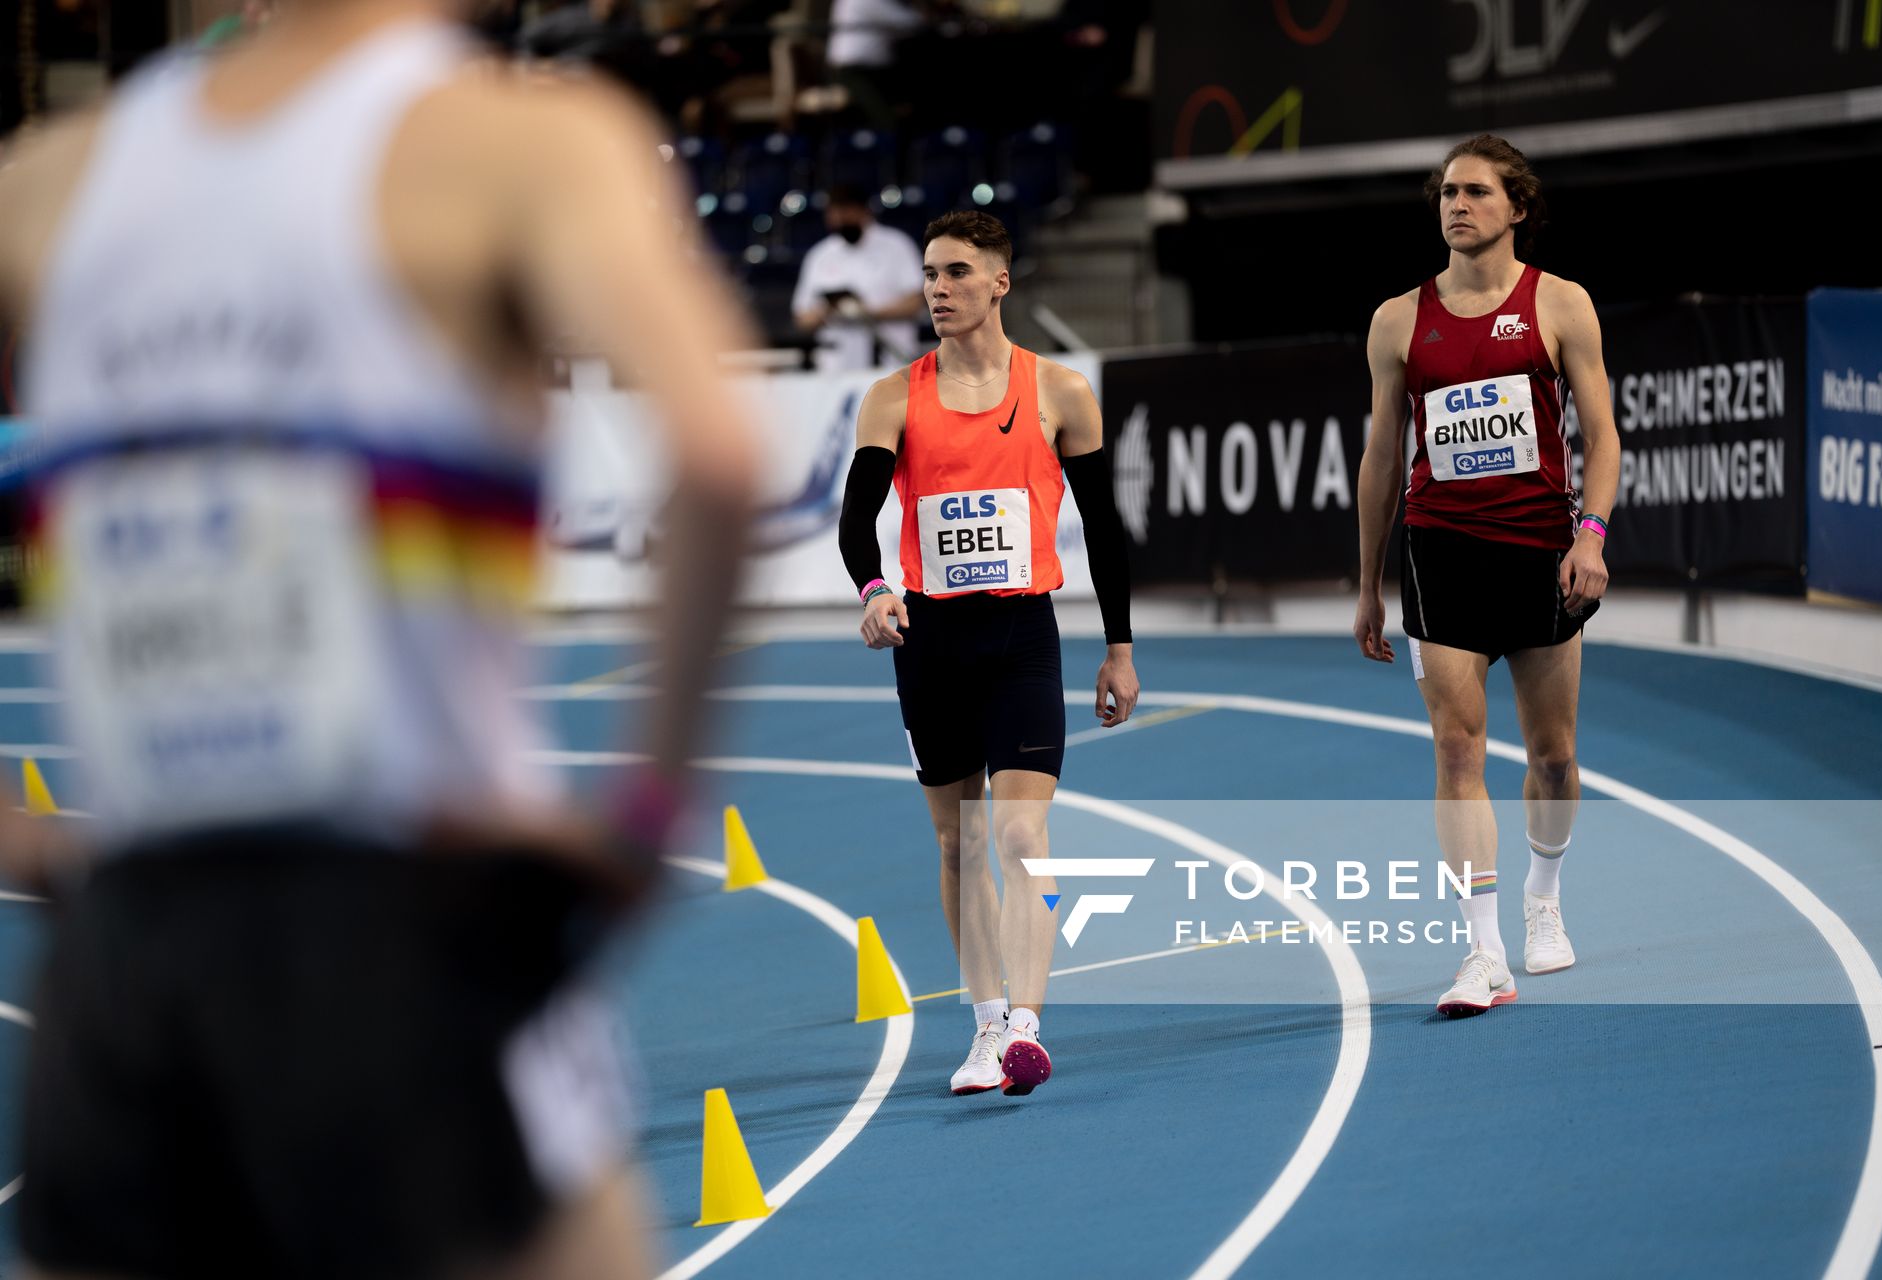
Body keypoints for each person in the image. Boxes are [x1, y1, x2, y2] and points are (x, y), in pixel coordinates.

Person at [0, 0, 759, 1275]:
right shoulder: (523, 142)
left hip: (125, 962)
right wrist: (642, 818)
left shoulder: (43, 181)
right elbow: (721, 455)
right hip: (413, 915)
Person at [837, 209, 1139, 1096]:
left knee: (1016, 831)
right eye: (930, 273)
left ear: (1000, 282)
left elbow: (1106, 531)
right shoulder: (894, 396)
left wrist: (1119, 648)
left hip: (1021, 637)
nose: (938, 288)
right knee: (957, 842)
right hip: (929, 640)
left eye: (958, 272)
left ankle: (1026, 1027)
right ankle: (980, 1025)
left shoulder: (1059, 393)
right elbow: (857, 518)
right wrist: (873, 588)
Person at [1351, 133, 1620, 1018]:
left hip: (1541, 552)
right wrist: (1366, 583)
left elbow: (1603, 436)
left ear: (1517, 207)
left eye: (1474, 192)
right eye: (1446, 193)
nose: (1456, 205)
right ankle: (1484, 949)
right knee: (1458, 750)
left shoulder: (1561, 303)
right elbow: (1383, 456)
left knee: (1554, 754)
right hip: (1441, 554)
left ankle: (1544, 897)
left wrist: (1591, 536)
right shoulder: (1399, 320)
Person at [792, 182, 926, 372]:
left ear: (864, 211)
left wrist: (867, 313)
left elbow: (916, 302)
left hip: (892, 362)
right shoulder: (820, 255)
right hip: (837, 367)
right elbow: (802, 317)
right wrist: (832, 311)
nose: (840, 220)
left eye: (846, 212)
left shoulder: (896, 245)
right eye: (835, 214)